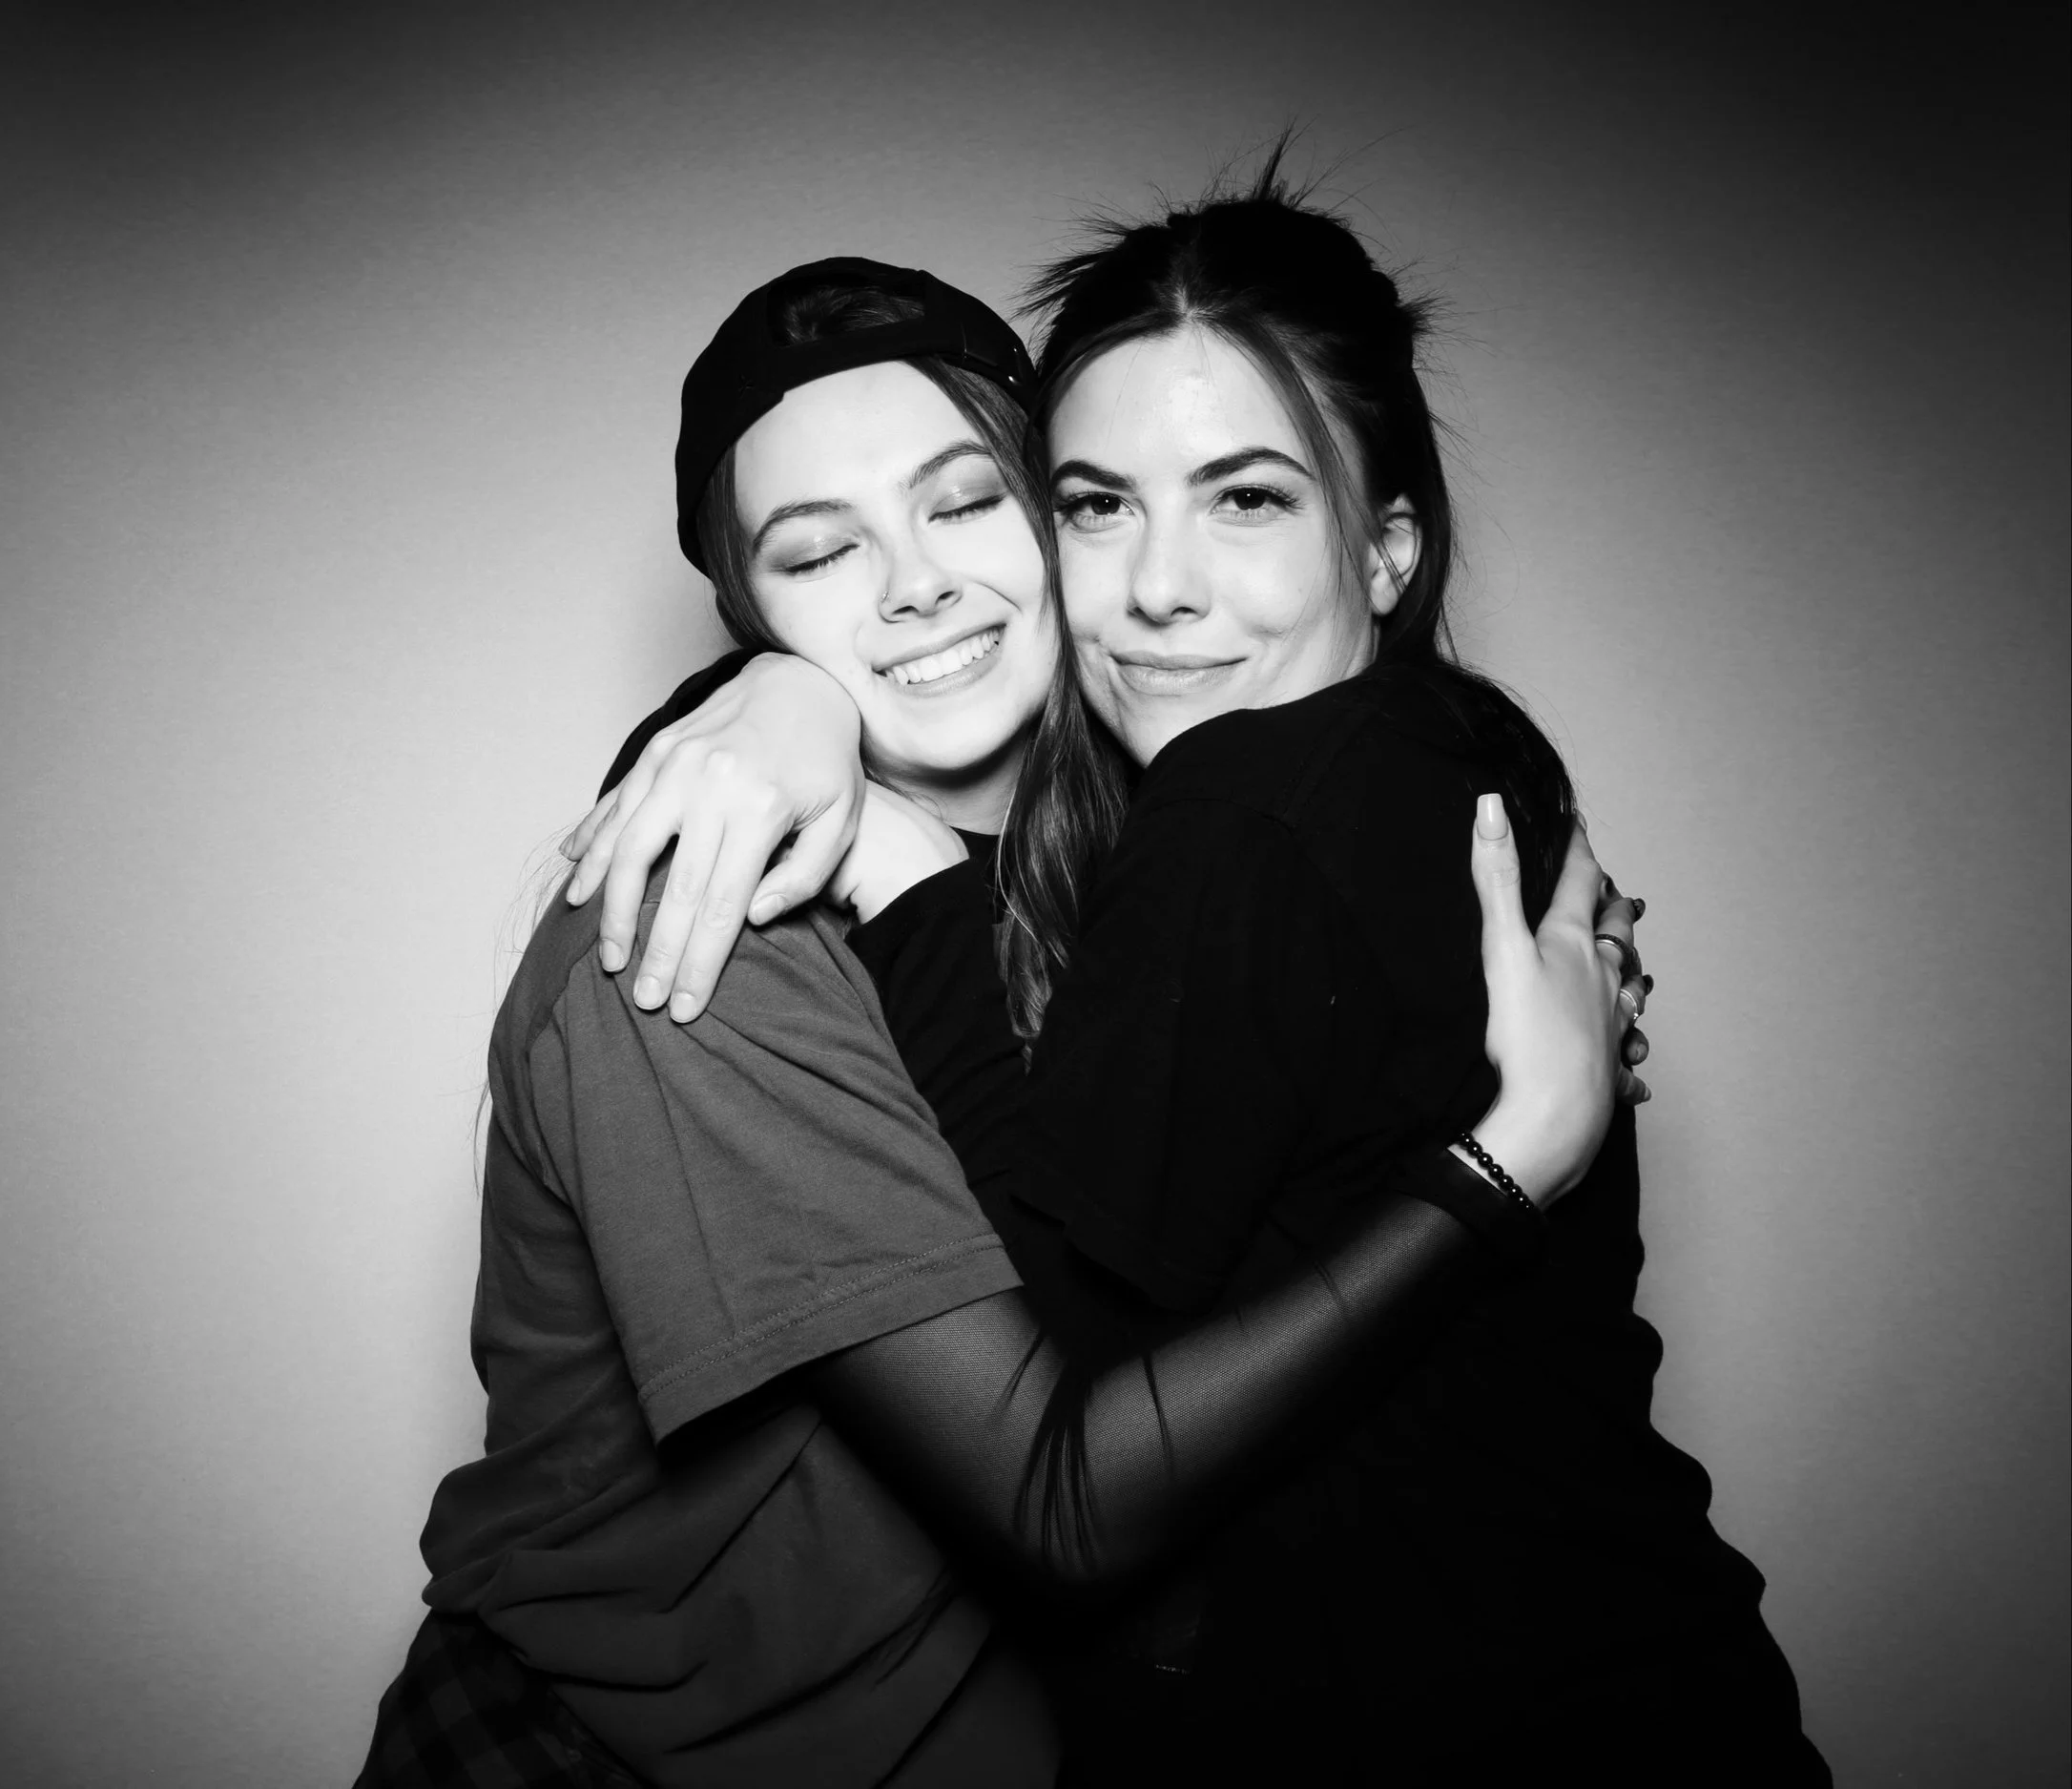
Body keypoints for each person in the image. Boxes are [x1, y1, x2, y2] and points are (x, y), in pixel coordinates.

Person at [573, 164, 1826, 1784]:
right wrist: (775, 707)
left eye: (1247, 498)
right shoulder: (1463, 756)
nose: (1159, 583)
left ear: (1387, 550)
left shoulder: (1243, 812)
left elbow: (1064, 1475)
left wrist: (894, 863)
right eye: (1099, 502)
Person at [359, 257, 1646, 1788]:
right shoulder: (703, 944)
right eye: (817, 556)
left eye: (966, 503)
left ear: (1055, 519)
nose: (913, 586)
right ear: (749, 620)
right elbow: (1063, 1502)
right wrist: (1509, 1165)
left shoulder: (1167, 866)